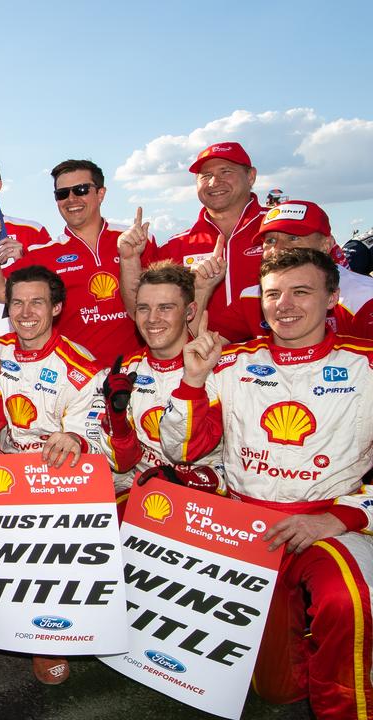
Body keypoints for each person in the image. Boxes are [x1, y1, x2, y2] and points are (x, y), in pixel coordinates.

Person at [160, 248, 373, 719]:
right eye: (274, 294)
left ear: (332, 297)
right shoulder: (230, 363)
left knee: (345, 601)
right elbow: (180, 451)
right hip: (247, 530)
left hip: (332, 523)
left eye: (302, 292)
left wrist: (342, 516)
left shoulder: (366, 366)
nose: (286, 305)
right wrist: (192, 381)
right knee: (277, 690)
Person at [0, 265, 103, 684]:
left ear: (56, 308)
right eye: (17, 303)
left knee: (55, 556)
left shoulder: (82, 365)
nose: (25, 312)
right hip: (9, 472)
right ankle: (17, 621)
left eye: (36, 302)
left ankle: (51, 638)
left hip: (60, 478)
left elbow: (94, 437)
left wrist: (76, 438)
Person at [0, 160, 152, 362]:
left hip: (137, 373)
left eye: (81, 189)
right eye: (62, 194)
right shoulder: (45, 253)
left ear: (101, 194)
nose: (71, 199)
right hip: (77, 378)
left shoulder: (136, 239)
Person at [97, 262, 222, 500]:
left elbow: (187, 452)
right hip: (141, 496)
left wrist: (184, 480)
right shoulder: (122, 372)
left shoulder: (220, 370)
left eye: (165, 308)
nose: (152, 319)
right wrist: (117, 420)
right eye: (143, 308)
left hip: (205, 504)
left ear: (190, 311)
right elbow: (121, 464)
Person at [125, 142, 266, 342]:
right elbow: (139, 308)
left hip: (277, 362)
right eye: (205, 176)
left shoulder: (280, 230)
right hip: (202, 363)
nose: (214, 182)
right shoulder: (177, 246)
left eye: (226, 171)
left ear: (251, 176)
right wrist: (129, 259)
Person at [212, 200, 373, 341]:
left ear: (326, 245)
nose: (278, 249)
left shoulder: (364, 297)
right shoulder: (252, 296)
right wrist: (202, 290)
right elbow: (203, 349)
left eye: (293, 238)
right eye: (271, 240)